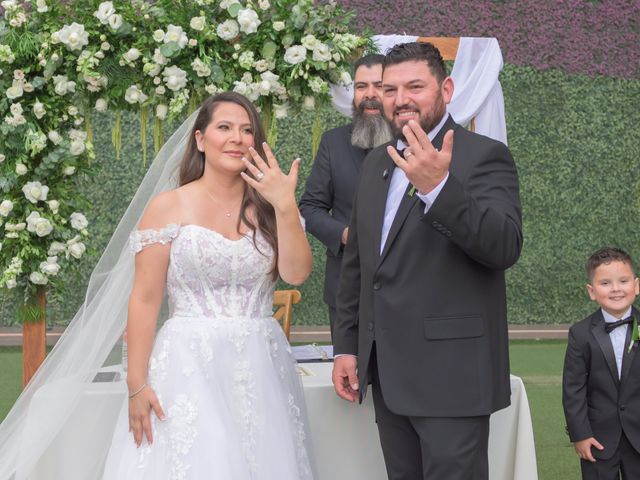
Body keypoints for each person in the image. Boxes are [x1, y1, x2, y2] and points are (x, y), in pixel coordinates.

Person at [331, 41, 523, 480]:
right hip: (387, 372)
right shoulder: (377, 161)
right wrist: (347, 345)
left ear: (447, 89)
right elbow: (359, 267)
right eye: (391, 89)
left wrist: (439, 188)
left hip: (452, 378)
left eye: (415, 86)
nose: (401, 99)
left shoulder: (484, 156)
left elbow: (504, 246)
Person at [100, 92, 314, 478]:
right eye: (225, 127)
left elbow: (297, 274)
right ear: (200, 139)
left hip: (260, 364)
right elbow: (145, 300)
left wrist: (284, 204)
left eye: (247, 130)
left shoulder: (273, 205)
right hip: (186, 365)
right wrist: (136, 384)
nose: (237, 138)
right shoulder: (169, 206)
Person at [299, 54, 391, 338]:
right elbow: (310, 207)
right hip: (346, 290)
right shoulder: (333, 142)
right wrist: (345, 235)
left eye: (380, 86)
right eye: (362, 86)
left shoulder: (415, 141)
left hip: (405, 290)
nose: (370, 95)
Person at [563, 247, 640, 480]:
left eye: (623, 281)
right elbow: (573, 389)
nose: (616, 289)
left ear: (636, 285)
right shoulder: (580, 333)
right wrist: (580, 434)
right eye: (605, 283)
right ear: (592, 291)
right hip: (597, 439)